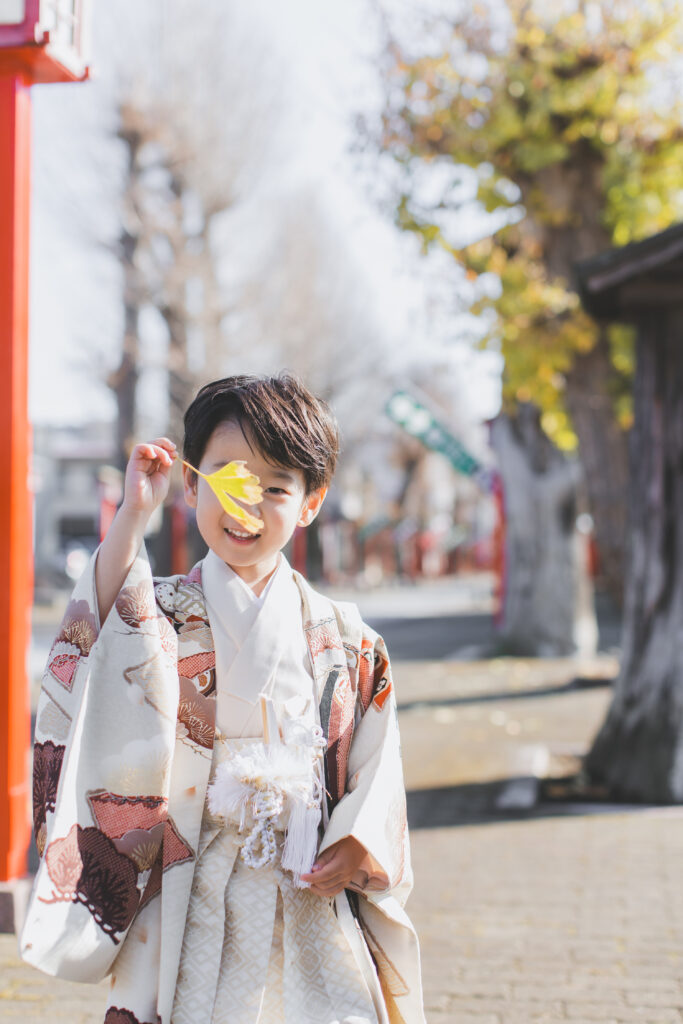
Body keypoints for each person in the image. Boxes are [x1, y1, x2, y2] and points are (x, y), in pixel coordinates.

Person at [20, 374, 425, 1024]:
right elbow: (97, 649)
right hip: (186, 877)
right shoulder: (164, 616)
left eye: (275, 488)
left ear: (311, 502)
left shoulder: (347, 640)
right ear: (190, 484)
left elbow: (377, 762)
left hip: (302, 874)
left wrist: (356, 840)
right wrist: (132, 516)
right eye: (229, 479)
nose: (248, 505)